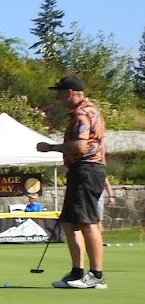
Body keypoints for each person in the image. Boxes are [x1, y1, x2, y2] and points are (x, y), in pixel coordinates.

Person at [35, 76, 107, 289]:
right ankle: (77, 272)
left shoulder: (82, 114)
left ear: (69, 92)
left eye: (59, 92)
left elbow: (79, 147)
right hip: (83, 170)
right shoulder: (86, 111)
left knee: (86, 221)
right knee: (69, 221)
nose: (57, 97)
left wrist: (50, 148)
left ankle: (96, 275)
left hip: (86, 169)